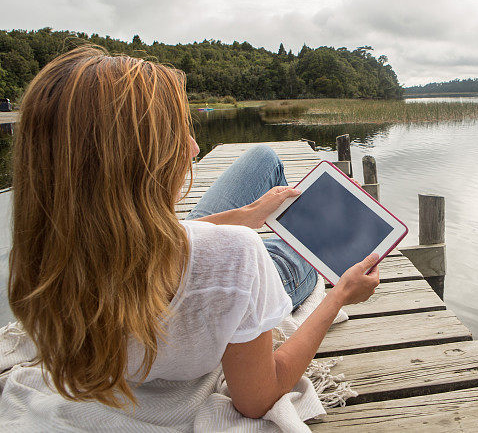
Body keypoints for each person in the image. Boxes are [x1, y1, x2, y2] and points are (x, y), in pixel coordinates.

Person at [6, 45, 379, 419]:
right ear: (137, 161)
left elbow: (153, 239)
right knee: (302, 248)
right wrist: (340, 295)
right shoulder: (237, 256)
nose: (195, 148)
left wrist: (248, 213)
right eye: (176, 136)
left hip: (176, 256)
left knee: (264, 159)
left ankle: (264, 222)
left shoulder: (49, 249)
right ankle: (299, 252)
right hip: (223, 272)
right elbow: (258, 399)